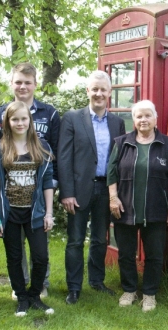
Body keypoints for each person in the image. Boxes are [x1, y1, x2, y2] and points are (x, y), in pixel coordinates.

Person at [0, 62, 60, 299]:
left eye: (27, 82)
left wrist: (52, 190)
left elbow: (55, 153)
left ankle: (40, 285)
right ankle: (19, 287)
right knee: (14, 248)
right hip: (10, 197)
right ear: (12, 83)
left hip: (38, 193)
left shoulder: (48, 113)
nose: (22, 86)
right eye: (18, 82)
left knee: (40, 245)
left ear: (35, 84)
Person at [58, 70, 126, 304]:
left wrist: (116, 193)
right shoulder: (72, 118)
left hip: (106, 189)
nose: (98, 93)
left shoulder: (117, 122)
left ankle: (96, 281)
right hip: (78, 191)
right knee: (75, 239)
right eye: (94, 89)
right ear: (88, 91)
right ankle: (74, 287)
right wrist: (66, 192)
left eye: (102, 89)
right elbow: (64, 158)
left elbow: (119, 160)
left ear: (109, 92)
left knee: (100, 239)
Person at [107, 100, 168, 312]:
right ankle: (129, 290)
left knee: (155, 255)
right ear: (134, 120)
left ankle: (149, 294)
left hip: (156, 209)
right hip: (124, 208)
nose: (143, 119)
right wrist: (113, 198)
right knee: (126, 254)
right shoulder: (122, 143)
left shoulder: (167, 145)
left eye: (148, 115)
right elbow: (111, 173)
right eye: (139, 116)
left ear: (155, 119)